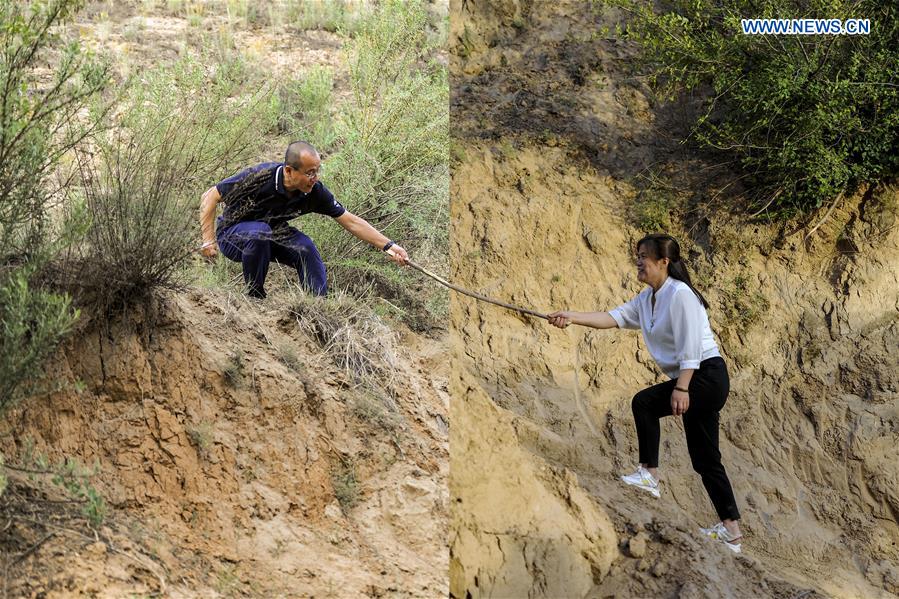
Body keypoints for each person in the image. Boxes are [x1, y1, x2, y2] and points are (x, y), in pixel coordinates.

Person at [547, 234, 743, 553]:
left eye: (643, 257)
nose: (638, 261)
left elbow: (692, 345)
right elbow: (612, 317)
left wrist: (682, 387)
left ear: (663, 262)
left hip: (706, 375)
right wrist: (571, 316)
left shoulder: (680, 295)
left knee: (645, 403)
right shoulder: (647, 299)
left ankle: (648, 475)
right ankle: (732, 533)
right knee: (705, 459)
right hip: (695, 378)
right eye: (637, 256)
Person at [199, 141, 409, 298]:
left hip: (271, 234)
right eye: (310, 173)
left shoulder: (314, 192)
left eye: (317, 171)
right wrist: (208, 241)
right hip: (233, 235)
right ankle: (255, 297)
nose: (315, 178)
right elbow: (211, 196)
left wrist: (389, 246)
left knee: (305, 247)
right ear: (289, 171)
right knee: (259, 231)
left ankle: (318, 304)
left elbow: (351, 221)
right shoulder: (259, 176)